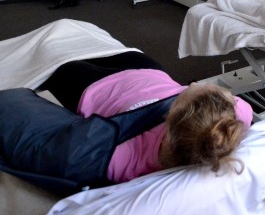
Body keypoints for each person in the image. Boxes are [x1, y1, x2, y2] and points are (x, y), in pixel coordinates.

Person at [0, 52, 252, 188]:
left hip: (93, 88)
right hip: (148, 70)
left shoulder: (124, 158)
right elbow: (236, 106)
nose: (193, 83)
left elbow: (67, 152)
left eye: (187, 92)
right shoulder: (233, 118)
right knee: (122, 52)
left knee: (62, 61)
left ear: (170, 120)